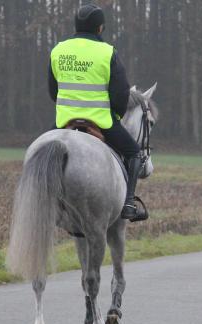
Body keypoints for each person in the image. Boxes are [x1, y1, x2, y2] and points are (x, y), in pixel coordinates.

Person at [48, 3, 145, 222]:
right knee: (133, 152)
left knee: (39, 154)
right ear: (99, 28)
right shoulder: (107, 52)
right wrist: (116, 117)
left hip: (64, 121)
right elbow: (120, 95)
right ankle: (129, 203)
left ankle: (44, 202)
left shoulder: (58, 50)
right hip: (101, 121)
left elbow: (53, 91)